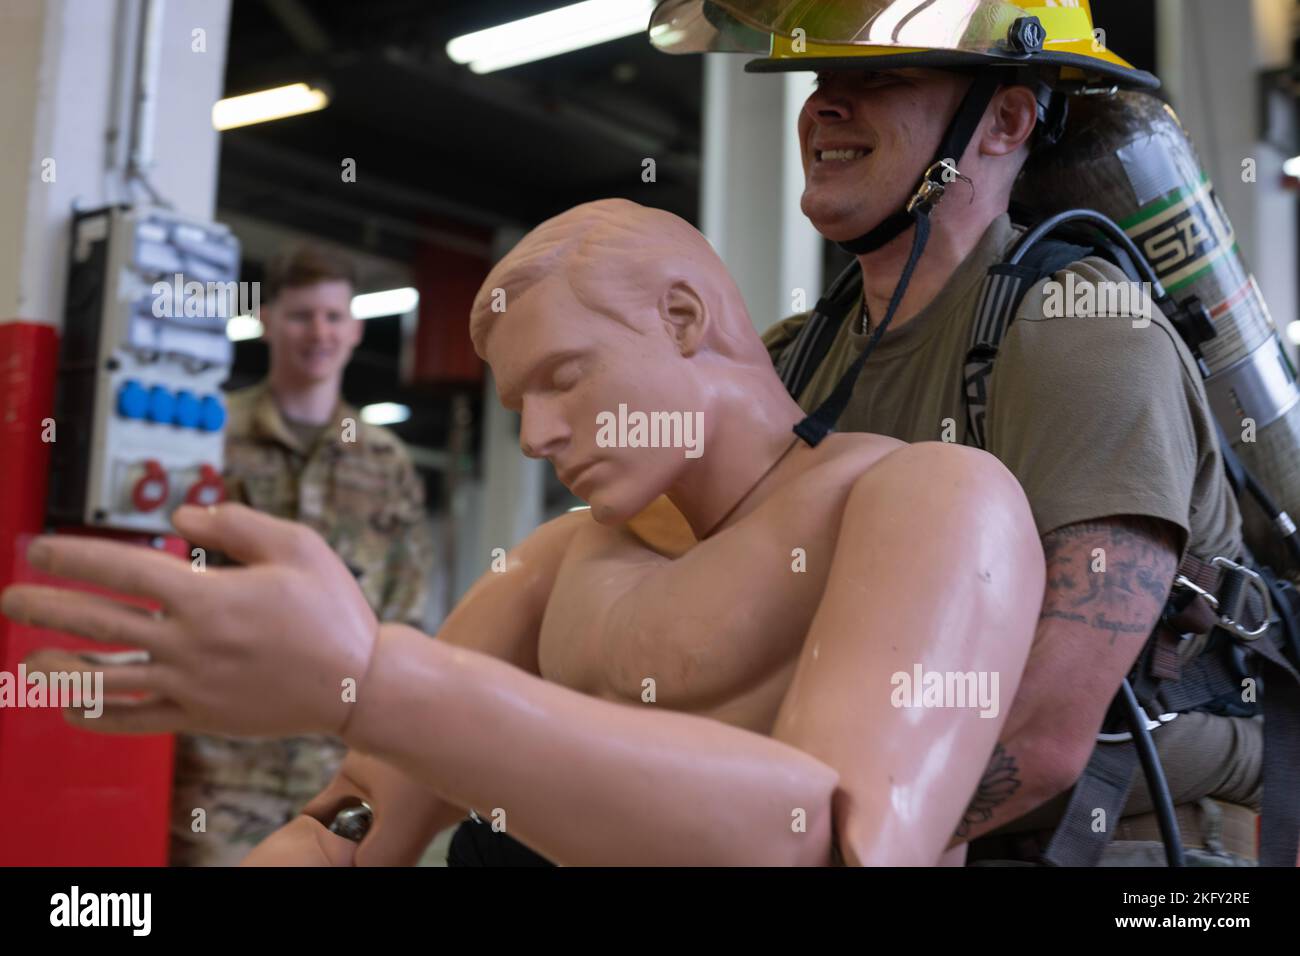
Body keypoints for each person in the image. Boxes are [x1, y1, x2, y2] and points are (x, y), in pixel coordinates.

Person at [4, 199, 1044, 866]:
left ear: (683, 318)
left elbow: (832, 836)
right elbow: (354, 820)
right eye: (519, 404)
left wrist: (374, 676)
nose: (540, 434)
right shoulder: (555, 562)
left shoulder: (925, 498)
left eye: (565, 377)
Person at [649, 1, 1269, 863]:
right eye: (822, 79)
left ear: (1006, 120)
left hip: (1123, 839)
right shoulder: (794, 361)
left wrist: (805, 840)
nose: (824, 105)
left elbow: (1046, 732)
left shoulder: (1082, 335)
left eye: (879, 78)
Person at [169, 243, 435, 866]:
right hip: (221, 755)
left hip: (336, 758)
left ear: (356, 329)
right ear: (264, 319)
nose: (320, 332)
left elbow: (407, 613)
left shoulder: (384, 461)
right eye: (301, 316)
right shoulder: (209, 438)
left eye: (334, 317)